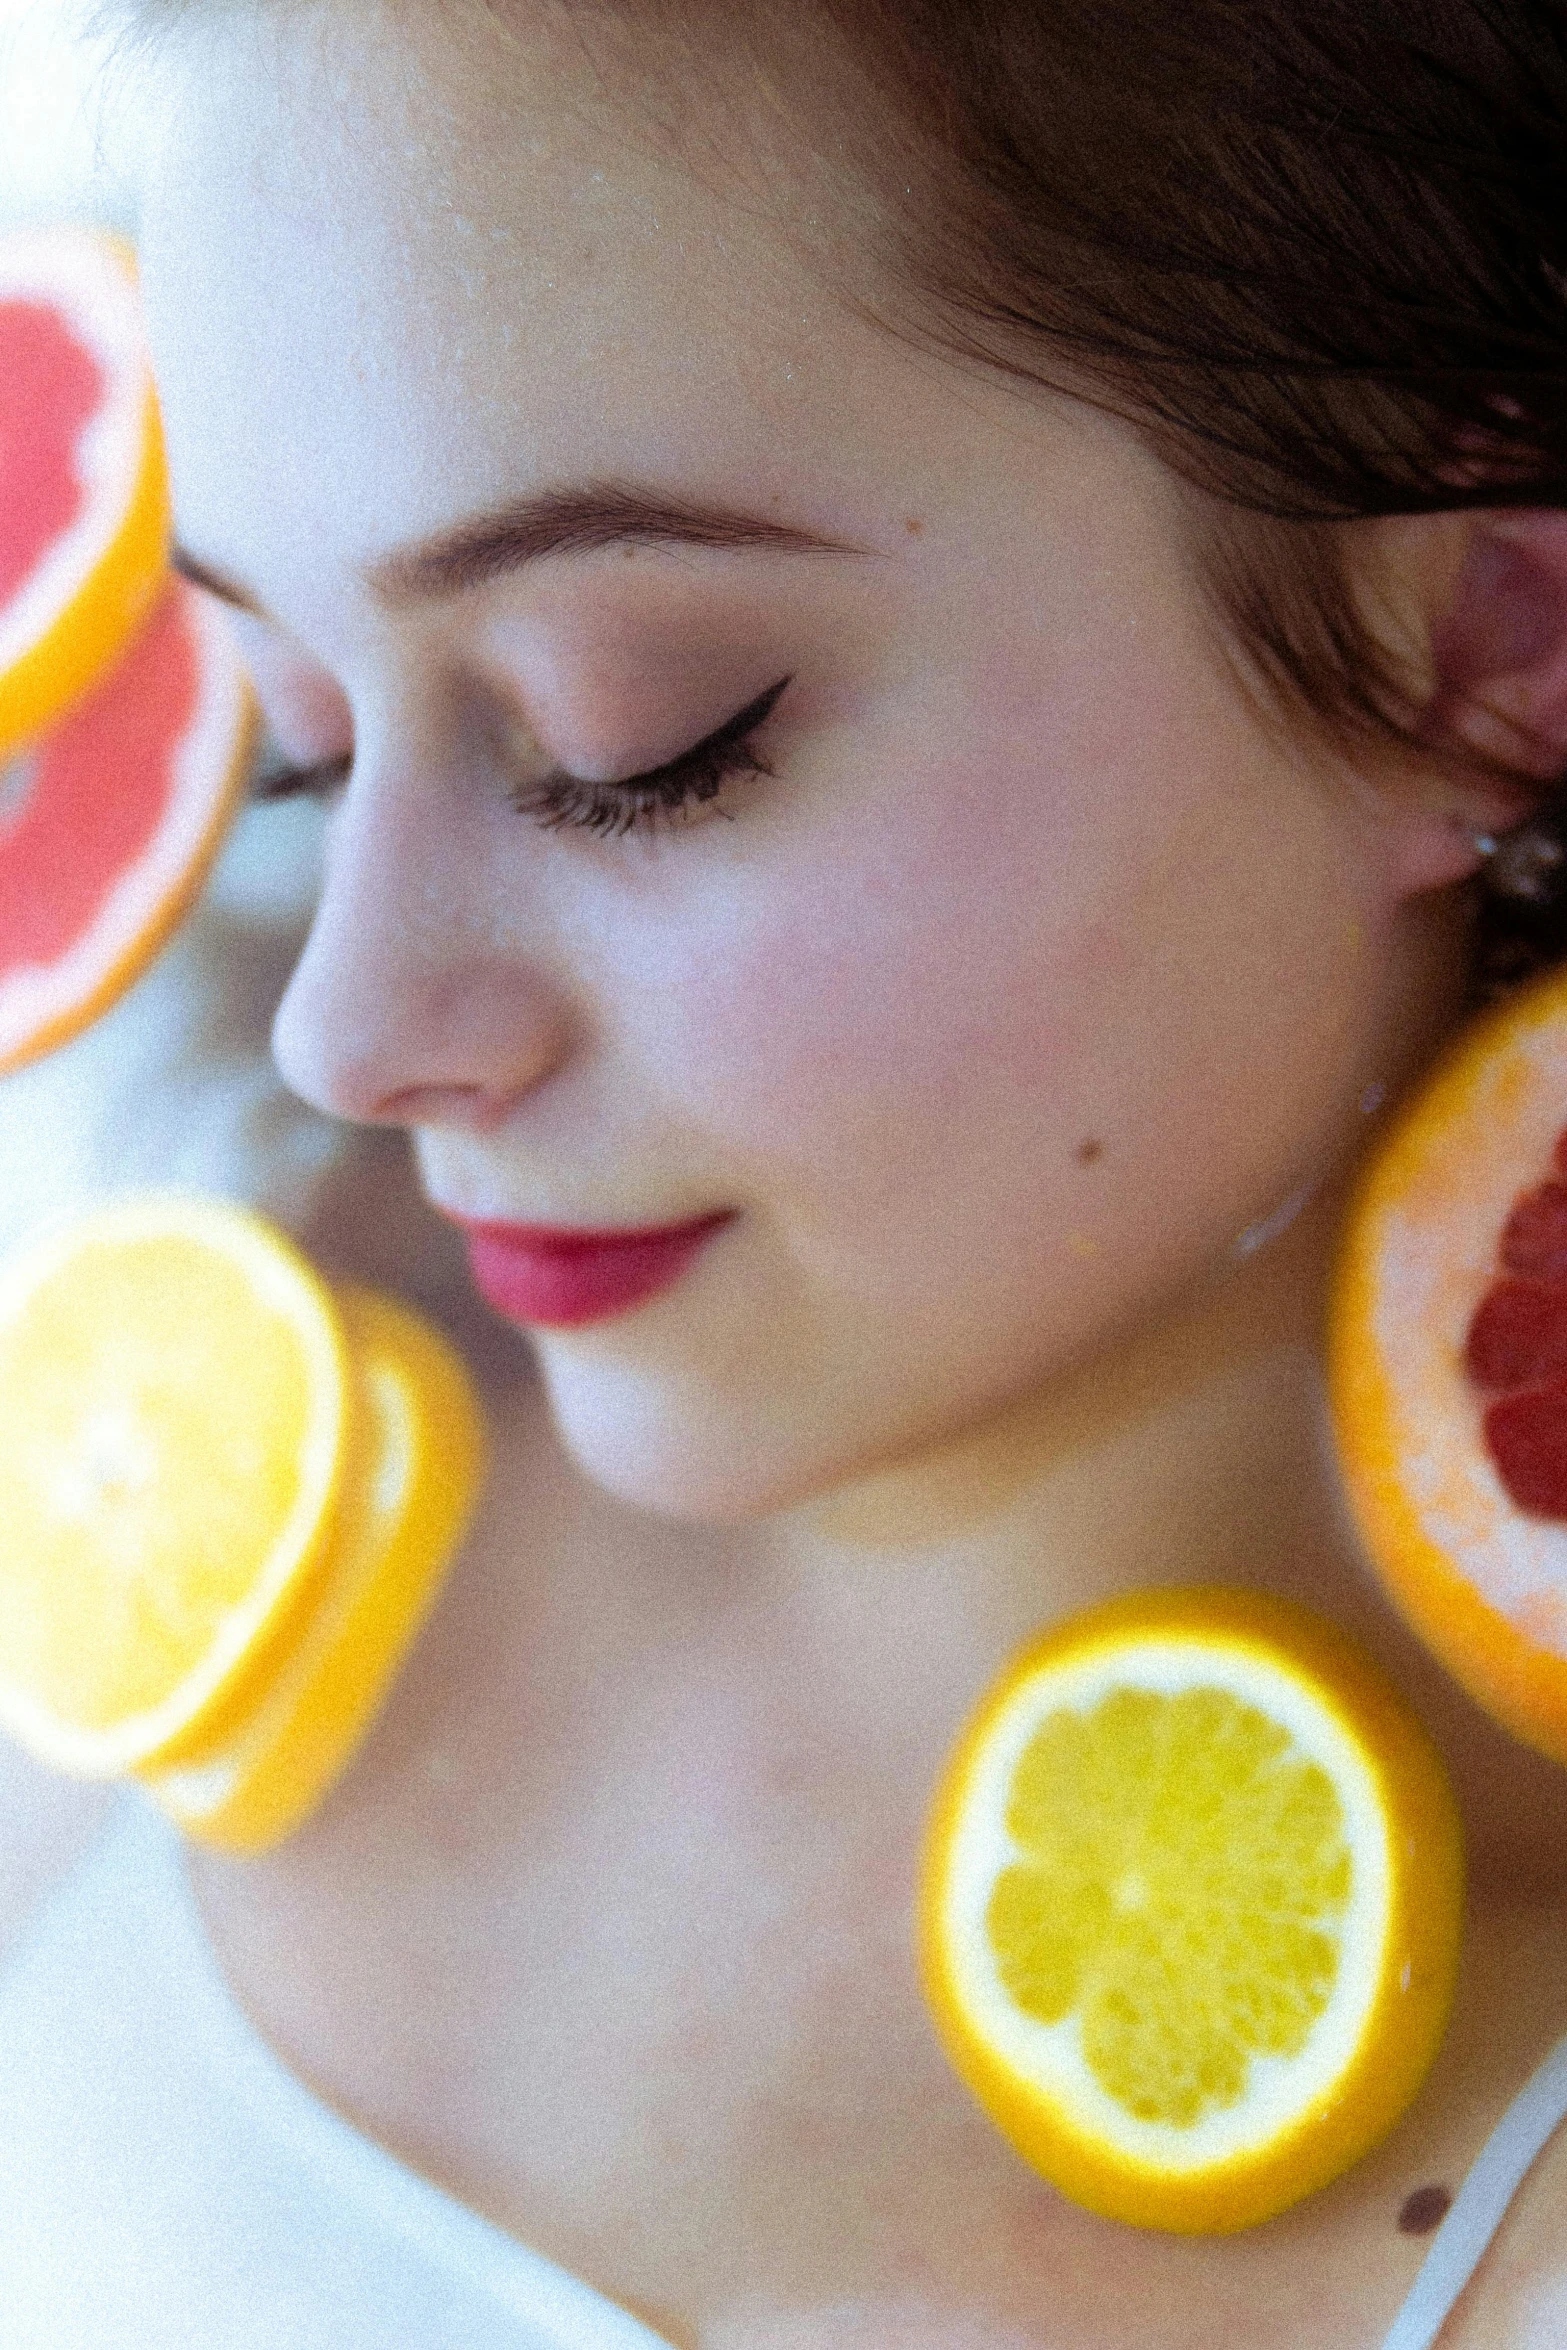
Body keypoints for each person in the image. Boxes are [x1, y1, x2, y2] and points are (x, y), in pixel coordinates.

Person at [5, 0, 1567, 2340]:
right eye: (302, 743)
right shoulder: (136, 1493)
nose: (356, 1023)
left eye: (641, 736)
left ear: (1486, 640)